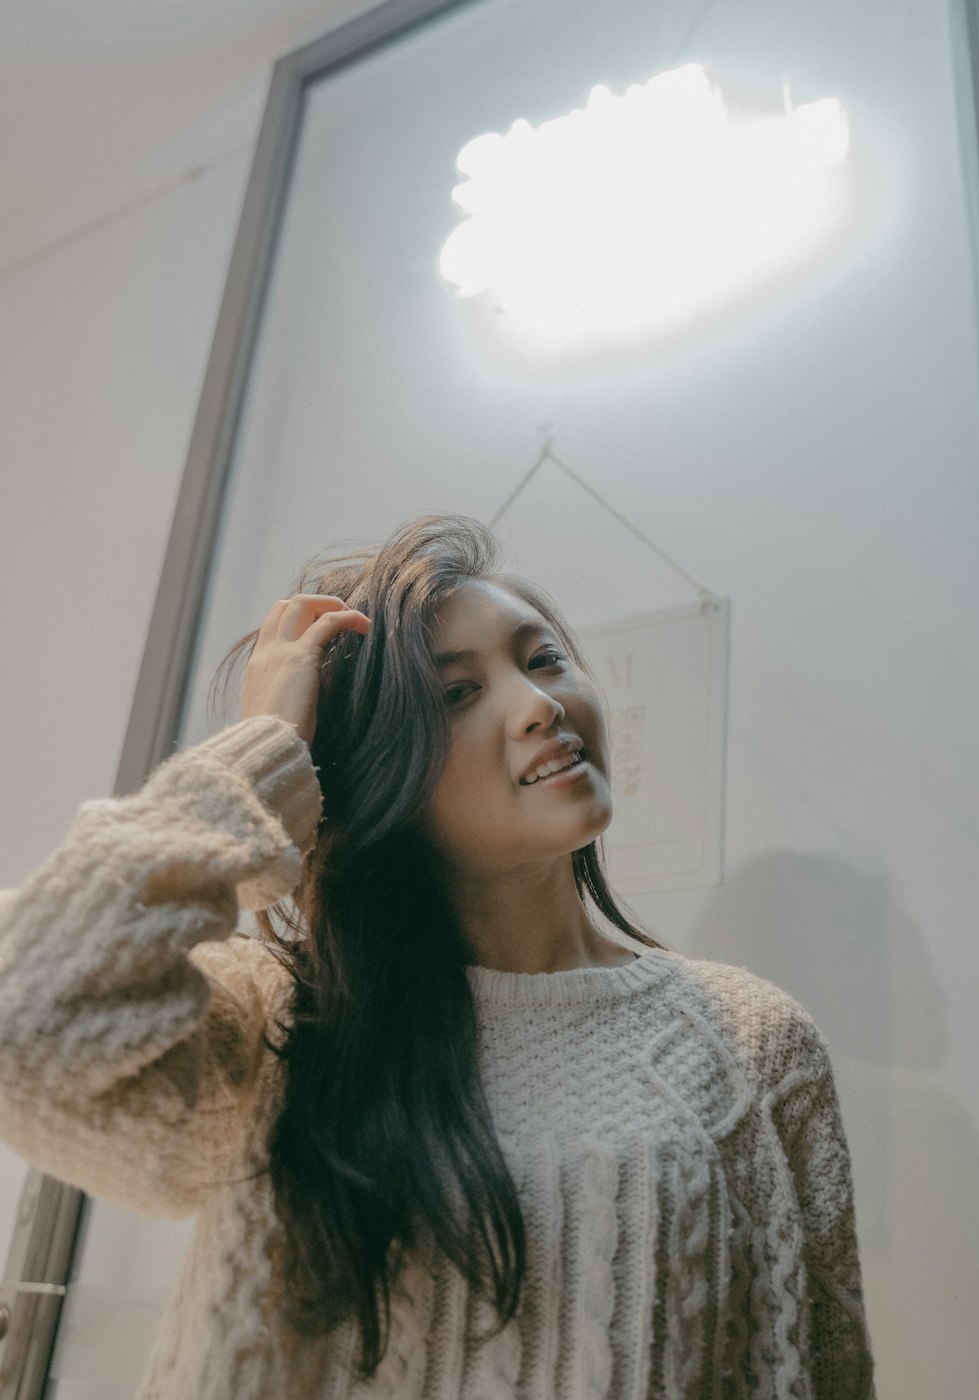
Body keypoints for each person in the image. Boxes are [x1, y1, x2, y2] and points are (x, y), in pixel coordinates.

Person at [0, 515, 875, 1398]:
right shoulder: (280, 1020)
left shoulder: (757, 1042)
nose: (540, 705)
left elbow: (822, 1369)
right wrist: (257, 757)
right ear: (376, 776)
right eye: (457, 695)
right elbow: (22, 1024)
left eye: (542, 660)